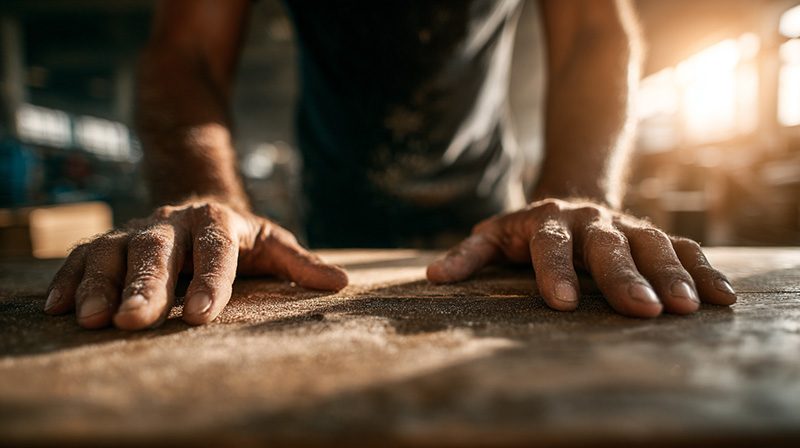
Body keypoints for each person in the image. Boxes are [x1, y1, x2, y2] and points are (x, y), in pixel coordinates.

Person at [43, 0, 737, 330]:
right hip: (325, 229)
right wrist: (208, 195)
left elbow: (593, 29)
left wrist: (575, 196)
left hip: (500, 226)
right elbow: (185, 50)